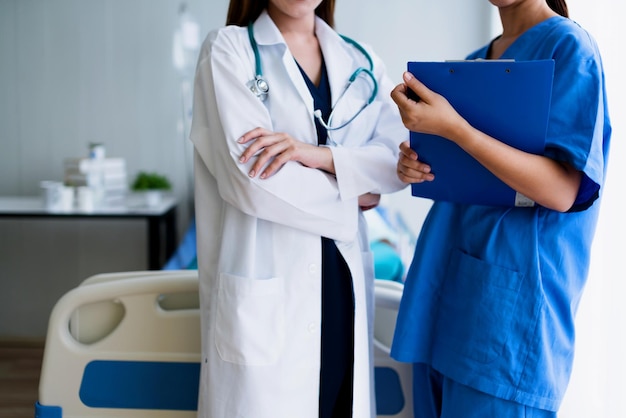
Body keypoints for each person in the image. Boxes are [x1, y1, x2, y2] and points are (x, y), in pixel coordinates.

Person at [388, 0, 611, 417]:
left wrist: (457, 131)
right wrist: (415, 163)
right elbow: (459, 175)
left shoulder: (569, 49)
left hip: (505, 326)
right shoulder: (475, 63)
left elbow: (564, 191)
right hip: (443, 302)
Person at [189, 0, 407, 417]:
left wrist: (317, 157)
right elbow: (250, 181)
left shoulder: (360, 61)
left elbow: (396, 162)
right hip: (269, 284)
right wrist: (354, 191)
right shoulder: (229, 50)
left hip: (341, 283)